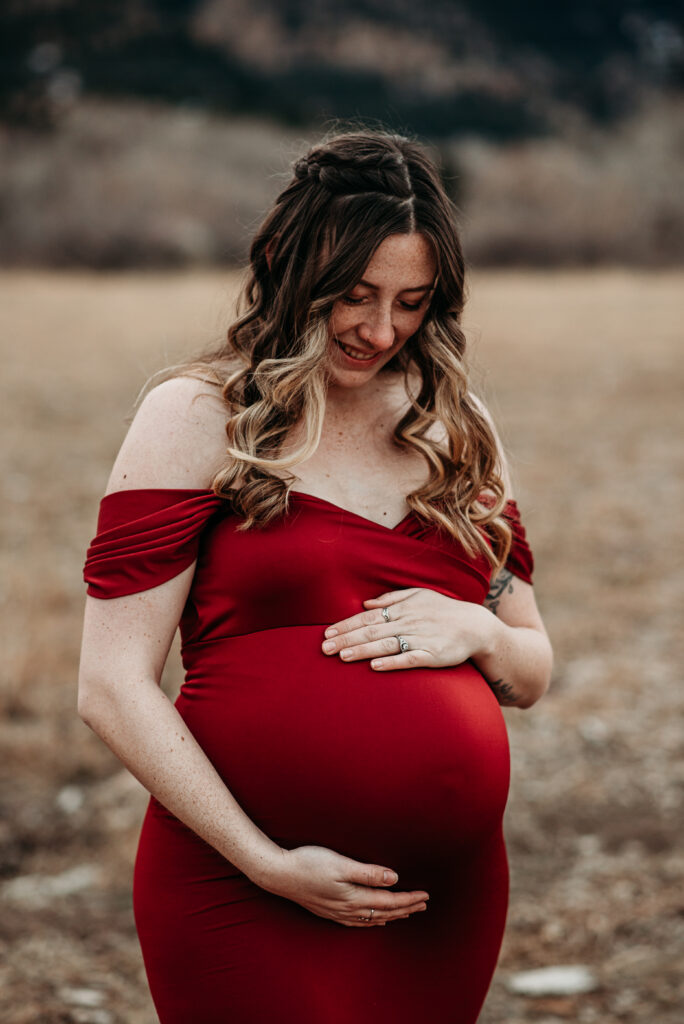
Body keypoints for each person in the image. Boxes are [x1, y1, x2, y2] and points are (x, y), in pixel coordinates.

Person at [79, 128, 552, 1024]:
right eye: (356, 295)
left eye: (412, 302)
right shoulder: (198, 413)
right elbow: (109, 685)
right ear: (287, 265)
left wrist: (481, 629)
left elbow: (531, 670)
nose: (381, 330)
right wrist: (264, 861)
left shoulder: (455, 425)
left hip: (436, 901)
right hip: (242, 881)